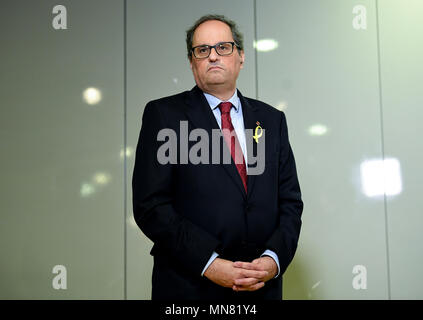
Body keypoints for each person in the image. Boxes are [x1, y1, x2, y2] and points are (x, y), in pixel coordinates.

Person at [132, 14, 303, 300]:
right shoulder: (164, 116)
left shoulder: (272, 121)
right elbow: (151, 206)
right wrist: (209, 264)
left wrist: (273, 260)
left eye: (223, 47)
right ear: (192, 62)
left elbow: (290, 202)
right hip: (190, 287)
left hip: (261, 288)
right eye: (202, 50)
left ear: (241, 56)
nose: (213, 56)